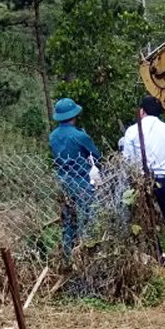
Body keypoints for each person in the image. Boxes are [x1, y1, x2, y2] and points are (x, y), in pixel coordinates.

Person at [120, 96, 165, 270]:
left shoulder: (132, 131)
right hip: (164, 179)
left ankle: (157, 258)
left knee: (147, 219)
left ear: (141, 111)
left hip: (141, 181)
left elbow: (127, 160)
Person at [49, 97, 101, 256]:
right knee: (86, 217)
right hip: (81, 180)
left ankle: (68, 254)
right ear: (74, 115)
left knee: (68, 219)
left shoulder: (53, 136)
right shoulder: (80, 136)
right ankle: (86, 252)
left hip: (63, 180)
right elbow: (96, 156)